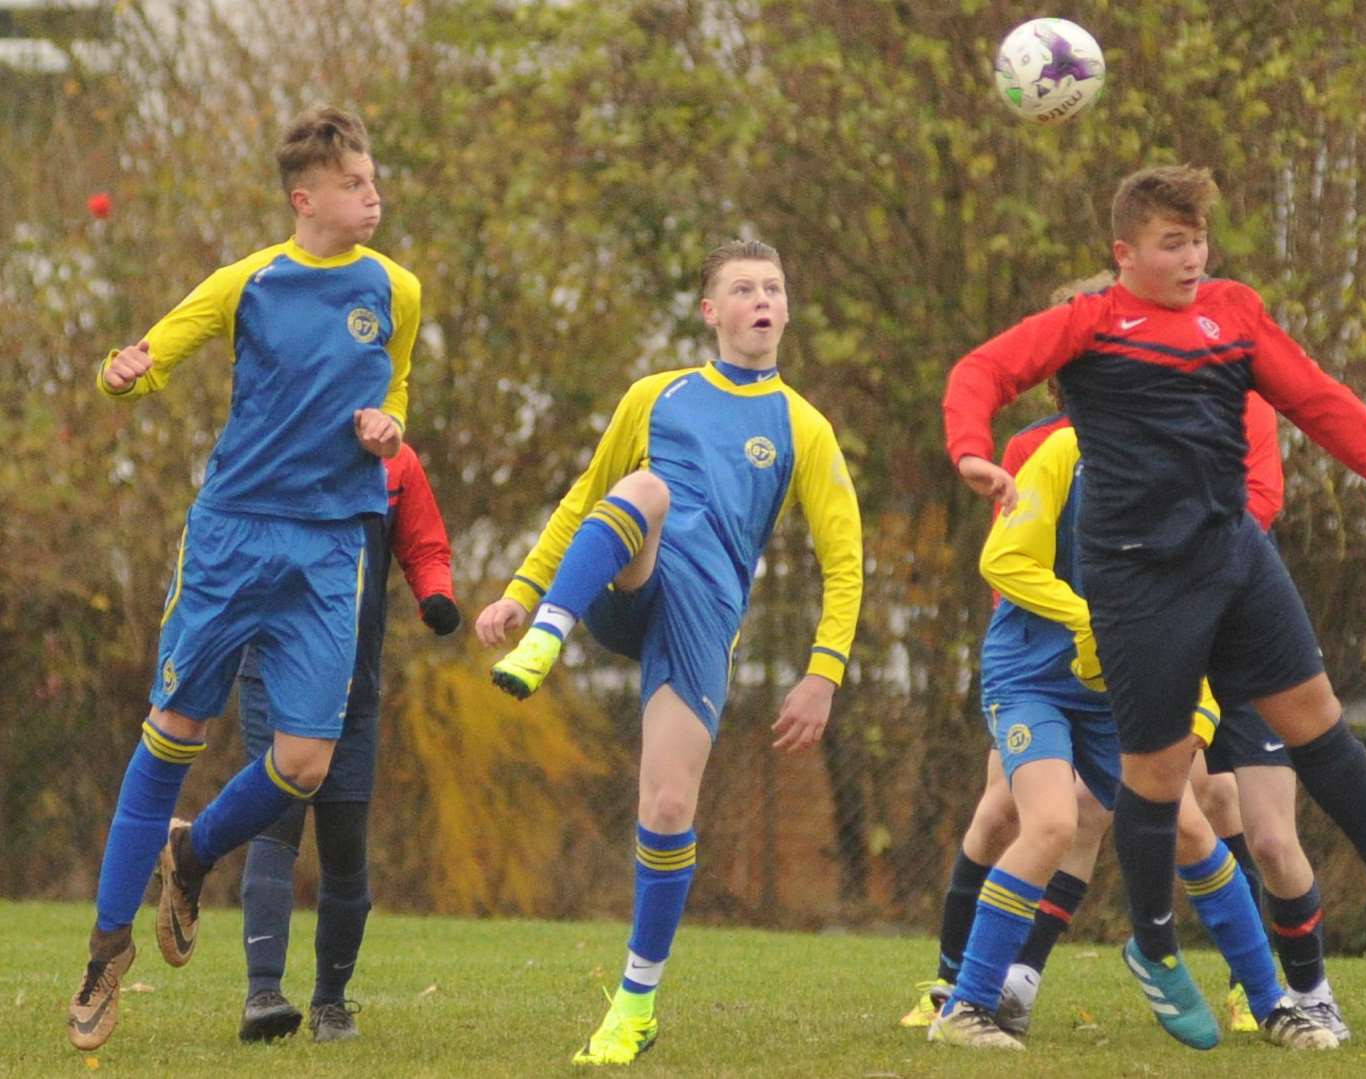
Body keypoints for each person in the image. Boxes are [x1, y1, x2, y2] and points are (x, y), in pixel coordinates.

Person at [942, 164, 1366, 1049]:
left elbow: (1312, 395)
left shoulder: (1233, 312)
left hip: (1234, 553)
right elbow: (983, 368)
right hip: (1138, 578)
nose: (1193, 257)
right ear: (1126, 254)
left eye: (1199, 240)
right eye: (1172, 243)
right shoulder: (1090, 324)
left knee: (1317, 716)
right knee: (1156, 783)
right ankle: (1156, 949)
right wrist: (971, 448)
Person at [68, 105, 419, 1053]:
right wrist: (122, 371)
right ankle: (106, 951)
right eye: (355, 183)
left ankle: (195, 852)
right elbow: (136, 365)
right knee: (175, 734)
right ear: (306, 199)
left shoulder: (397, 288)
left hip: (333, 546)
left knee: (304, 763)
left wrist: (386, 425)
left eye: (373, 178)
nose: (372, 193)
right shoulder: (246, 282)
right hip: (232, 537)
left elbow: (396, 389)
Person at [475, 239, 863, 1066]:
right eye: (743, 288)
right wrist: (521, 591)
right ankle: (551, 633)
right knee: (645, 489)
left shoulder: (804, 427)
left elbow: (845, 560)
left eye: (774, 286)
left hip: (703, 619)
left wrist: (823, 672)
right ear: (709, 311)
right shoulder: (657, 396)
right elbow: (588, 497)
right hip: (630, 582)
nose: (762, 299)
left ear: (787, 310)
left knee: (666, 808)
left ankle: (634, 1006)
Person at [924, 425, 1335, 1052]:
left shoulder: (1182, 477)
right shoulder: (1064, 455)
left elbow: (1194, 611)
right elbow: (1001, 560)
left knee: (1191, 827)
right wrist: (1085, 617)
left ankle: (1271, 1003)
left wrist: (1196, 712)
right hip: (1032, 677)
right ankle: (967, 1004)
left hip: (1118, 685)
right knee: (1052, 822)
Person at [236, 440, 458, 1044]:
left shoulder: (398, 463)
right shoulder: (278, 444)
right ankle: (263, 994)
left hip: (355, 684)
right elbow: (231, 538)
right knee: (274, 825)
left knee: (343, 842)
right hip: (274, 672)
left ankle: (331, 1005)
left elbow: (426, 546)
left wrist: (435, 594)